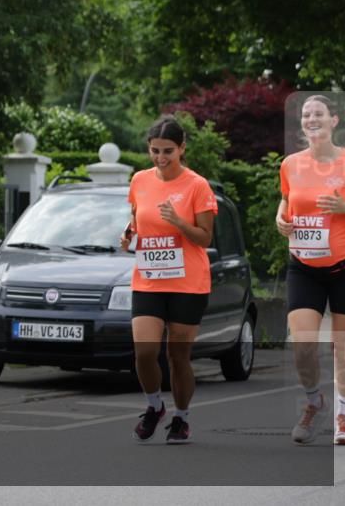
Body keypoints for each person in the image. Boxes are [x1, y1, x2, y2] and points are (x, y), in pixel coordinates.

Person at [120, 115, 217, 444]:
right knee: (144, 352)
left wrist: (178, 221)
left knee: (178, 356)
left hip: (188, 282)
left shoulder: (197, 185)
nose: (160, 158)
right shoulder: (140, 180)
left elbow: (204, 238)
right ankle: (154, 406)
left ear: (182, 148)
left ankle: (182, 417)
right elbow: (136, 221)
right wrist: (128, 235)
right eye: (154, 151)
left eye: (168, 151)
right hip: (148, 278)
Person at [275, 94, 345, 445]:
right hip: (303, 265)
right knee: (303, 346)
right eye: (306, 114)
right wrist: (280, 218)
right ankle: (313, 400)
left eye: (318, 113)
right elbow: (286, 199)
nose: (311, 119)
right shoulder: (291, 164)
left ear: (334, 120)